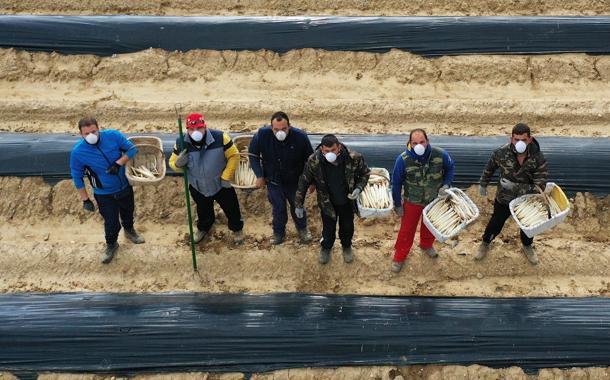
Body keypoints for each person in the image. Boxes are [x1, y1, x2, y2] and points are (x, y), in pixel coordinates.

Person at [70, 117, 145, 264]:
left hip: (124, 186)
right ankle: (111, 244)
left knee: (128, 211)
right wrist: (85, 199)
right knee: (111, 222)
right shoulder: (78, 153)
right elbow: (77, 177)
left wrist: (118, 163)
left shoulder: (113, 136)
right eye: (86, 134)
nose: (91, 136)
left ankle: (129, 230)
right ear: (81, 135)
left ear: (99, 128)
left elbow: (132, 149)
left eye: (94, 131)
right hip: (104, 193)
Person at [477, 123, 549, 265]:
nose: (519, 143)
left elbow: (539, 186)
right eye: (516, 139)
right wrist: (483, 183)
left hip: (526, 200)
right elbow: (489, 167)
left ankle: (527, 246)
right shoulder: (501, 153)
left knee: (528, 226)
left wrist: (515, 187)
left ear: (529, 139)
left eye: (523, 140)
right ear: (511, 139)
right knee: (496, 223)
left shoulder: (538, 158)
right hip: (505, 198)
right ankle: (485, 242)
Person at [169, 113, 244, 244]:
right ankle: (204, 228)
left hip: (221, 184)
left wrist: (226, 176)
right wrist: (177, 165)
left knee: (232, 208)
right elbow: (172, 163)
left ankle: (237, 228)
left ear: (205, 127)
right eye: (191, 129)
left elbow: (234, 156)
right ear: (187, 129)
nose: (195, 132)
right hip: (198, 186)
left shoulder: (221, 138)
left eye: (199, 128)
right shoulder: (181, 143)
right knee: (203, 210)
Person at [295, 134, 370, 264]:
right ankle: (326, 248)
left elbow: (365, 174)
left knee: (347, 227)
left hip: (347, 201)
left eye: (333, 150)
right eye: (326, 151)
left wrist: (358, 188)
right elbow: (304, 181)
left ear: (339, 147)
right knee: (328, 229)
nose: (330, 153)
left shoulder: (353, 158)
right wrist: (298, 203)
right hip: (327, 203)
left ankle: (346, 246)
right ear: (322, 149)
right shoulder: (314, 160)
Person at [390, 128, 455, 273]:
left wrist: (446, 184)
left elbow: (450, 168)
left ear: (427, 141)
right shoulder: (403, 160)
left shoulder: (440, 155)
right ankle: (399, 256)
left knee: (430, 225)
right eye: (415, 143)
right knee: (406, 230)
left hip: (433, 200)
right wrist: (397, 204)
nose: (419, 145)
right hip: (412, 201)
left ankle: (426, 244)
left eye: (422, 142)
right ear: (410, 144)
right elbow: (396, 183)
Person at [249, 111, 314, 245]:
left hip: (294, 180)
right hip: (273, 180)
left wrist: (312, 181)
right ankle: (278, 233)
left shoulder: (300, 137)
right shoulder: (262, 135)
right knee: (278, 208)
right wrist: (259, 175)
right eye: (276, 129)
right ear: (271, 127)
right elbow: (253, 155)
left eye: (284, 129)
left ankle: (302, 229)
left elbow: (310, 160)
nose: (280, 132)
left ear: (289, 126)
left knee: (298, 206)